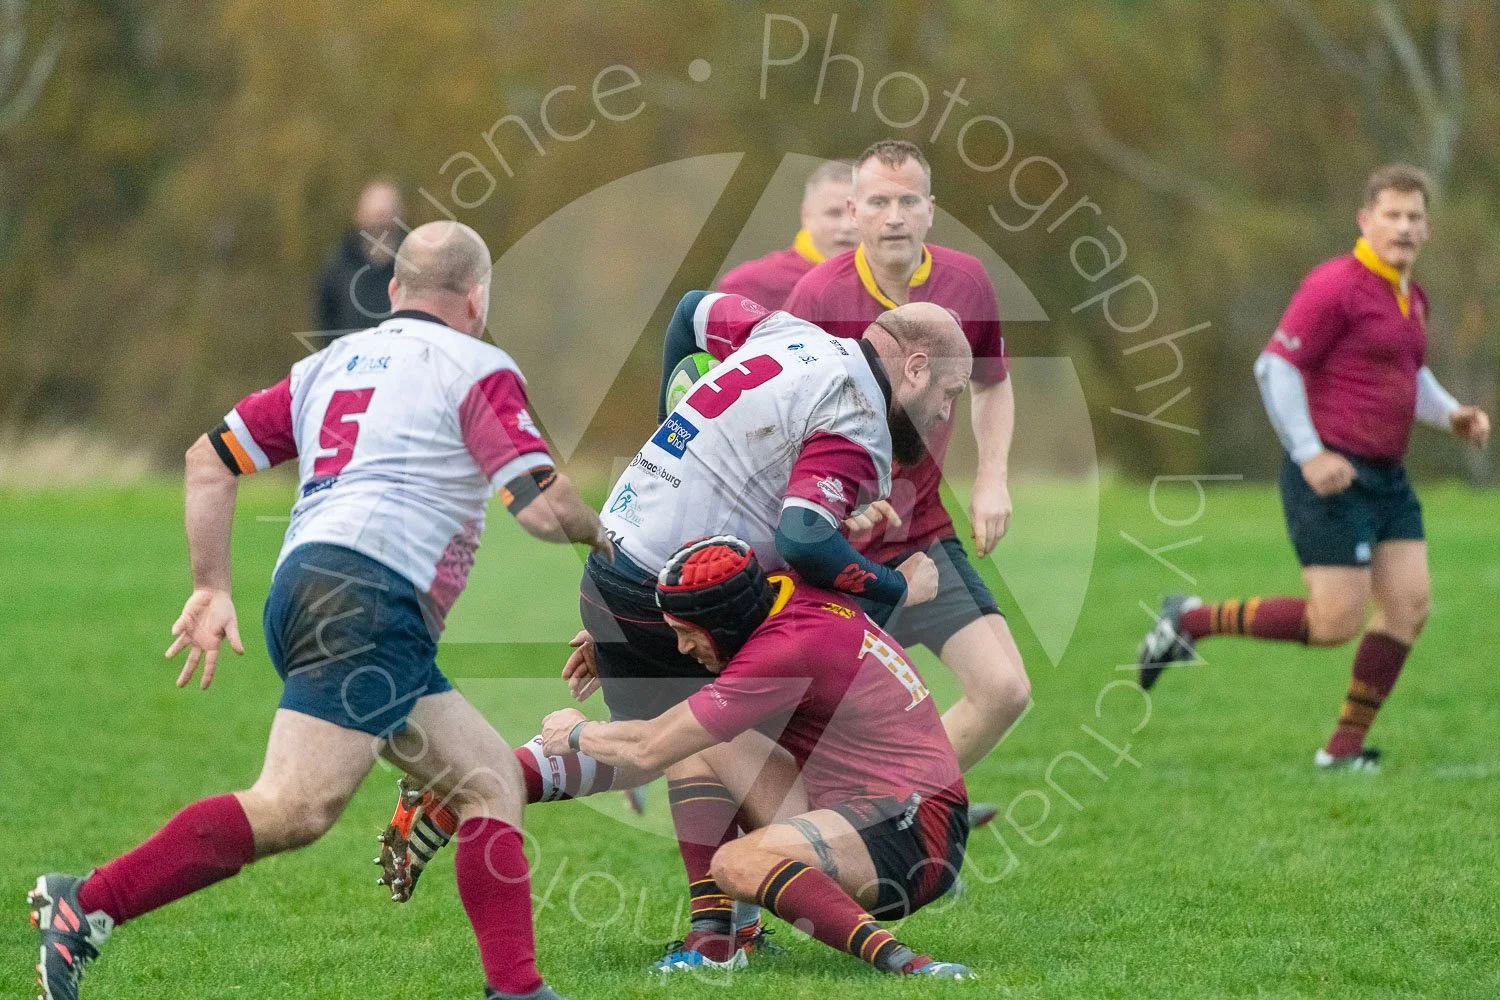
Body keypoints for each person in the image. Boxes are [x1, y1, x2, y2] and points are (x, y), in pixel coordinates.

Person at [28, 221, 609, 1000]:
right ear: (476, 299)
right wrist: (609, 540)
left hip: (308, 586)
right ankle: (86, 904)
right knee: (294, 808)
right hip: (369, 601)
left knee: (489, 781)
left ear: (395, 291)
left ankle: (517, 991)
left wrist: (210, 586)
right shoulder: (477, 365)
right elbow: (541, 509)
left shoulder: (326, 364)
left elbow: (210, 459)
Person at [370, 289, 973, 964]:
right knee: (680, 743)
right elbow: (803, 539)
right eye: (950, 392)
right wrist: (897, 586)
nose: (947, 413)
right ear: (915, 368)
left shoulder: (786, 333)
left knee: (713, 739)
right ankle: (715, 934)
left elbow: (690, 311)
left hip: (625, 560)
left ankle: (725, 930)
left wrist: (670, 434)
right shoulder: (857, 412)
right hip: (672, 584)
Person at [1138, 164, 1491, 771]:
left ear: (1427, 228)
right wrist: (1310, 453)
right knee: (1334, 623)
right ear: (1365, 220)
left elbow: (1408, 374)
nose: (1404, 227)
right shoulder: (1336, 285)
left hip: (1388, 477)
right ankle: (1190, 620)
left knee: (1409, 607)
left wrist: (1452, 414)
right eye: (1392, 214)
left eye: (1414, 217)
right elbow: (1275, 367)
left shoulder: (1412, 297)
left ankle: (1344, 749)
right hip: (1332, 476)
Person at [539, 536, 975, 979]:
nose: (682, 649)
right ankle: (715, 947)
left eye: (688, 635)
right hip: (879, 805)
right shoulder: (790, 594)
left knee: (739, 863)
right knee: (703, 746)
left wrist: (578, 732)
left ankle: (908, 965)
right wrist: (609, 642)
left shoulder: (783, 652)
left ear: (723, 627)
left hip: (915, 833)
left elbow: (648, 747)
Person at [781, 138, 1031, 785]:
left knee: (1004, 691)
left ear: (930, 210)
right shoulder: (815, 296)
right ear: (855, 211)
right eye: (879, 201)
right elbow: (781, 416)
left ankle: (887, 810)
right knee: (794, 722)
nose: (894, 215)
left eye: (908, 200)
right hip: (836, 547)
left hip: (922, 533)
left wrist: (993, 478)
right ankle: (788, 850)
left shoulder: (966, 280)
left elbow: (992, 383)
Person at [716, 159, 859, 309]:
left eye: (856, 213)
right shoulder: (750, 285)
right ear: (806, 216)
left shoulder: (882, 286)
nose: (847, 226)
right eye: (833, 214)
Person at [314, 179, 404, 335]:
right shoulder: (338, 266)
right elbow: (326, 316)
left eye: (387, 212)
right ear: (359, 215)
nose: (381, 218)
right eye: (376, 214)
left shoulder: (416, 266)